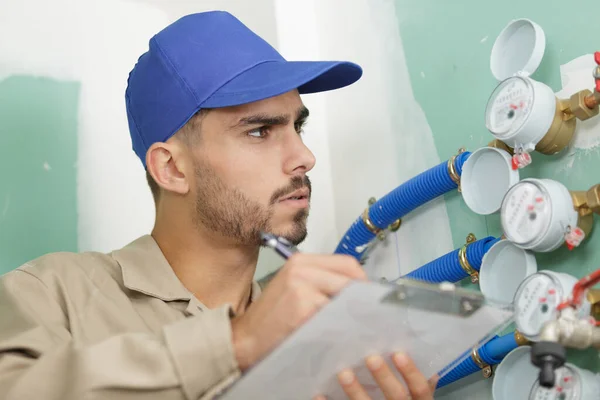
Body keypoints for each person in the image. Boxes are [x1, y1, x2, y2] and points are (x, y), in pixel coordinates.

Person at [0, 11, 437, 400]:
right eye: (260, 131)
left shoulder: (321, 337)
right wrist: (236, 344)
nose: (304, 157)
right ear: (171, 169)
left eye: (297, 127)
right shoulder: (51, 295)